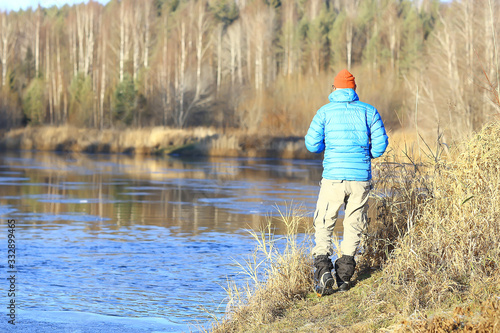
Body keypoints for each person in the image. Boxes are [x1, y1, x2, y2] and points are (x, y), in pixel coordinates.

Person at [305, 69, 388, 295]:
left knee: (324, 221)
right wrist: (363, 154)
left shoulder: (324, 112)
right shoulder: (369, 112)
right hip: (360, 177)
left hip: (333, 176)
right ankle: (343, 277)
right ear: (354, 90)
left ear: (334, 89)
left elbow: (312, 145)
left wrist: (328, 147)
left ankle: (323, 271)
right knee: (354, 223)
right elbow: (380, 146)